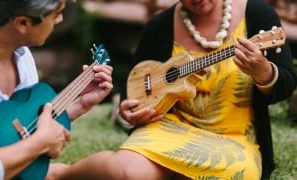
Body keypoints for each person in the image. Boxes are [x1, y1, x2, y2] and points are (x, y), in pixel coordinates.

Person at [47, 0, 297, 179]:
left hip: (234, 137)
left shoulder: (258, 15)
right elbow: (134, 84)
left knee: (237, 174)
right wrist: (129, 110)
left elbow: (285, 82)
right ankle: (65, 174)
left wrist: (263, 71)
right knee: (127, 171)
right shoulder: (160, 25)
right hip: (170, 128)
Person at [0, 0, 113, 179]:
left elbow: (16, 126)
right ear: (22, 23)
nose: (60, 20)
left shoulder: (22, 56)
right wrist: (40, 143)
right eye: (55, 14)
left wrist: (78, 106)